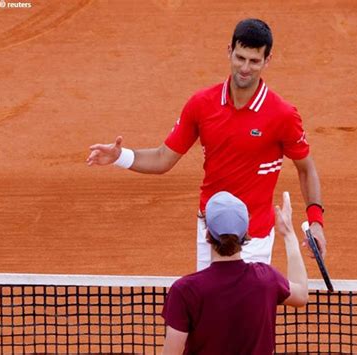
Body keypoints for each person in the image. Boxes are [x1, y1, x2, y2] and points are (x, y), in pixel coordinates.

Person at [86, 18, 326, 270]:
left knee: (246, 309)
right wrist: (119, 156)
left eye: (254, 61)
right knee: (209, 308)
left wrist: (316, 222)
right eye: (240, 57)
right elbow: (162, 158)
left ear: (267, 60)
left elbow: (306, 169)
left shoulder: (283, 115)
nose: (245, 68)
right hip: (210, 233)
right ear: (229, 52)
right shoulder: (201, 104)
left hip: (255, 236)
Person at [161, 190, 308, 355]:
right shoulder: (267, 279)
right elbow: (301, 293)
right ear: (245, 233)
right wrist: (288, 234)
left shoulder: (185, 290)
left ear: (207, 232)